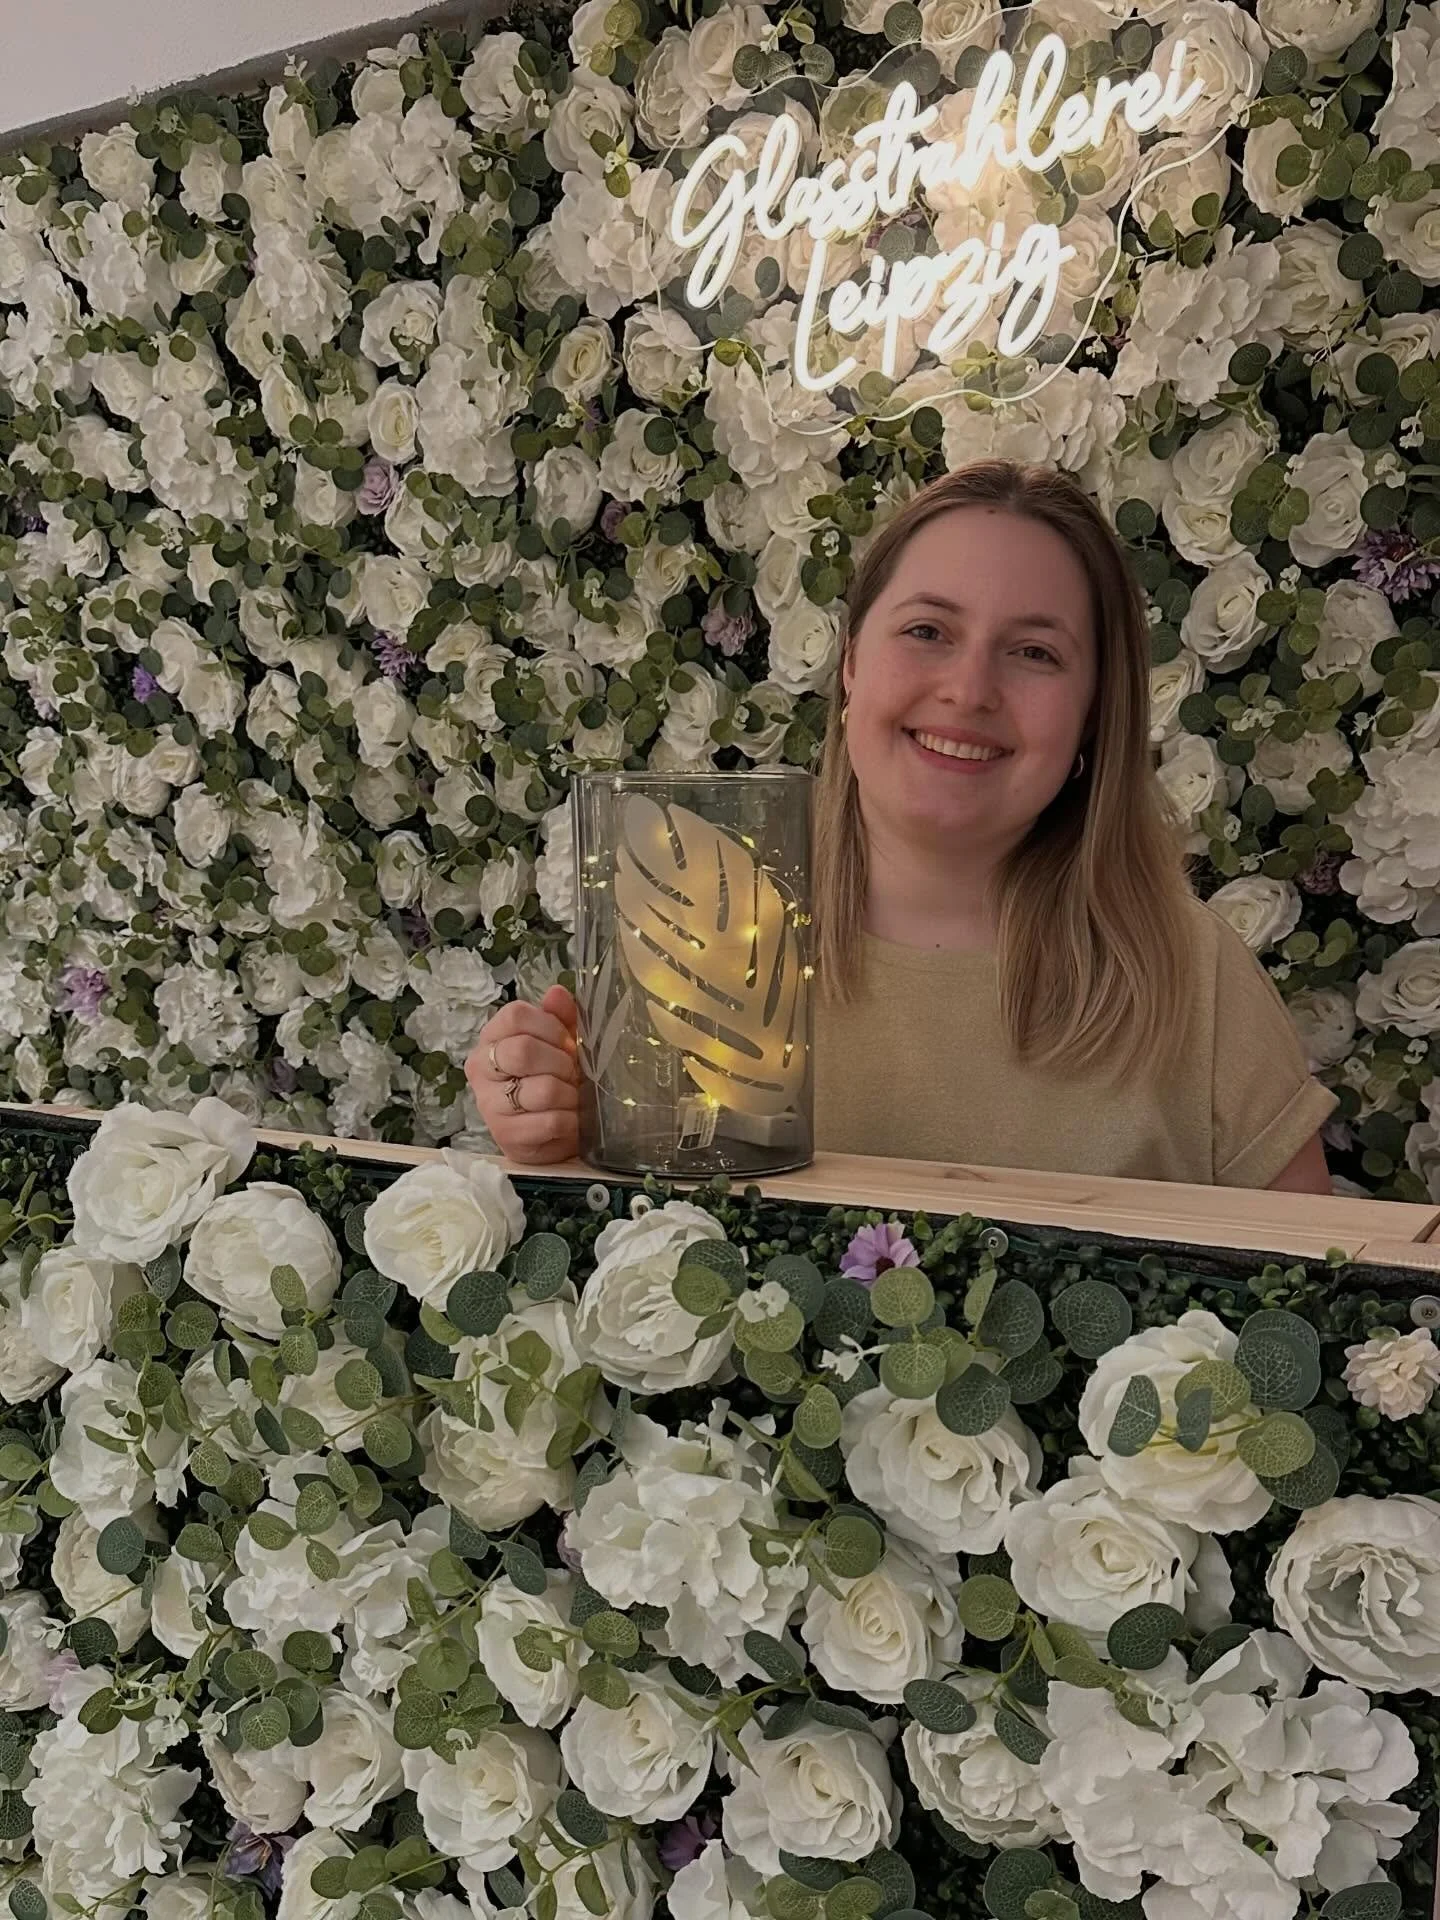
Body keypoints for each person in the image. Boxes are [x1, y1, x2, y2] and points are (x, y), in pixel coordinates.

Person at [466, 459, 1337, 1193]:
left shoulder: (1197, 978)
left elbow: (1312, 1330)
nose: (969, 690)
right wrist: (547, 1134)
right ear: (851, 665)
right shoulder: (696, 933)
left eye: (1035, 652)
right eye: (927, 630)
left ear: (1095, 712)